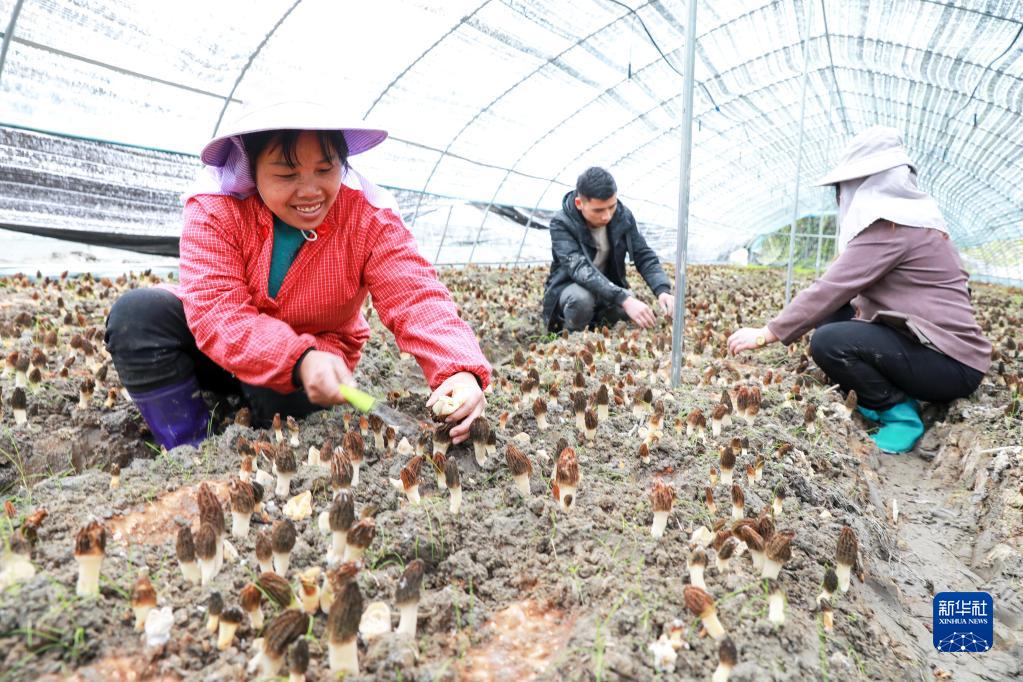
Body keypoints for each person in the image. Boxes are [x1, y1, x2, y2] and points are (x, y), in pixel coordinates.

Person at [105, 100, 490, 449]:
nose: (310, 191)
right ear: (252, 169)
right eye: (287, 174)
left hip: (315, 362)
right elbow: (217, 311)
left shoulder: (368, 217)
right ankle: (189, 446)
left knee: (280, 407)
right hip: (221, 351)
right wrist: (295, 356)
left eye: (325, 169)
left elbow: (414, 294)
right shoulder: (216, 208)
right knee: (139, 316)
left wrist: (457, 370)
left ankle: (250, 408)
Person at [728, 126, 990, 454]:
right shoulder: (911, 221)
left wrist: (767, 333)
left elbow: (830, 287)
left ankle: (898, 414)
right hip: (937, 353)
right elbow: (839, 296)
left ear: (866, 184)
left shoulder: (891, 227)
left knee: (830, 341)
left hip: (951, 364)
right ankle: (892, 393)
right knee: (834, 315)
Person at [541, 167, 675, 332]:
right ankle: (568, 336)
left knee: (629, 305)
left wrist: (662, 290)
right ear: (579, 203)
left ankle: (598, 327)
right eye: (598, 210)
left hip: (607, 288)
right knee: (582, 300)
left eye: (611, 206)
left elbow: (643, 255)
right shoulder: (562, 223)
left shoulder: (623, 216)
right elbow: (579, 269)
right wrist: (623, 298)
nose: (607, 216)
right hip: (571, 289)